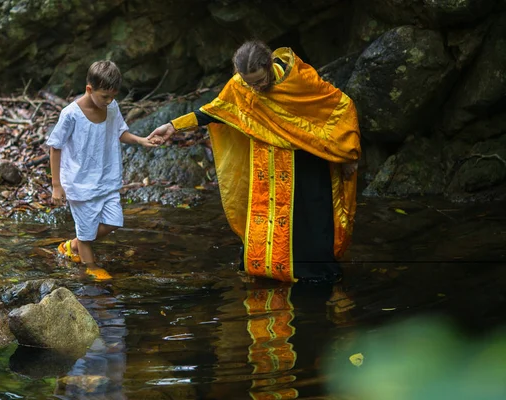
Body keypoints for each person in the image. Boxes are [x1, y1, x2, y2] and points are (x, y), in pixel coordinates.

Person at [148, 40, 361, 284]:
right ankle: (265, 269)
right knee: (263, 216)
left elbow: (340, 108)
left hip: (305, 162)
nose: (256, 88)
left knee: (310, 220)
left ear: (269, 66)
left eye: (259, 81)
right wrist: (173, 126)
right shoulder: (241, 84)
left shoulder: (299, 79)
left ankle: (317, 280)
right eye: (250, 83)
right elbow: (217, 109)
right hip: (266, 165)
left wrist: (348, 154)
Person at [47, 60, 160, 266]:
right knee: (87, 236)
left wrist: (141, 140)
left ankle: (73, 246)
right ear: (89, 89)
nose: (109, 101)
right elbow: (55, 147)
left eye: (113, 96)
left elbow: (120, 132)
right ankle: (92, 276)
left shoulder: (112, 107)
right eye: (104, 96)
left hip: (106, 179)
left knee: (114, 222)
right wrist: (56, 186)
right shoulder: (71, 114)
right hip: (79, 183)